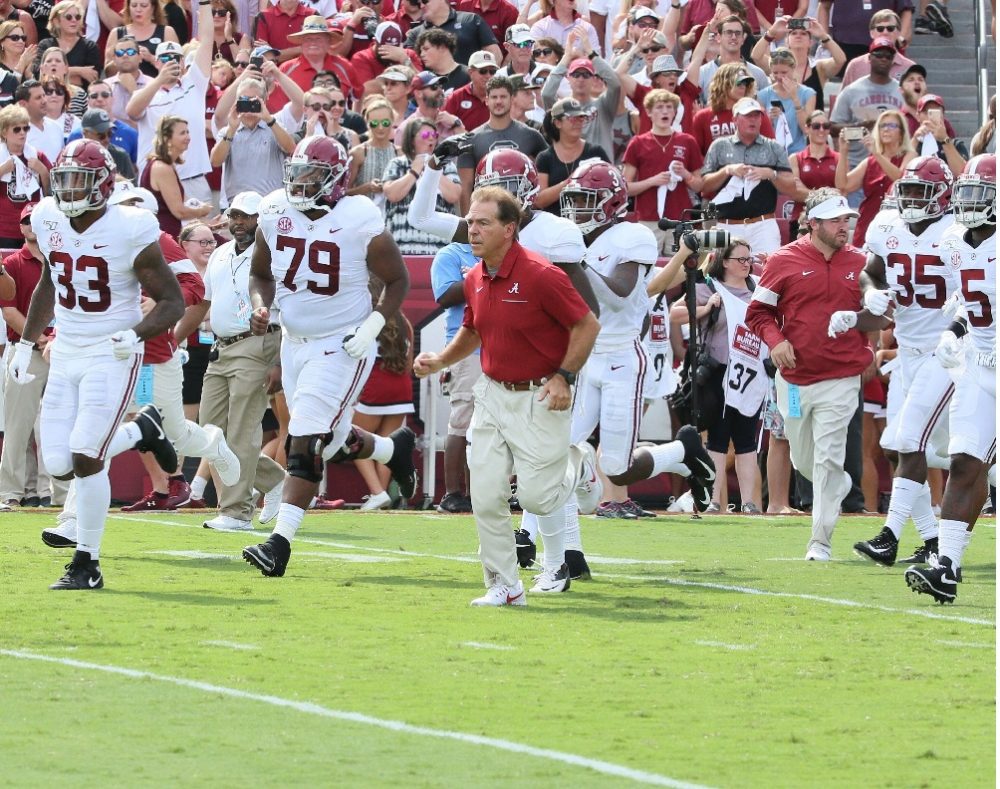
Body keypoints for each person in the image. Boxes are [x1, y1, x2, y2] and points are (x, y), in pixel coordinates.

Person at [408, 145, 600, 572]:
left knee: (541, 478)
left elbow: (588, 315)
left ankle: (563, 547)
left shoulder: (552, 235)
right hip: (496, 361)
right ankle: (551, 561)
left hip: (548, 364)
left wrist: (564, 371)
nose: (476, 227)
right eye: (488, 190)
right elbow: (420, 219)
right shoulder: (482, 233)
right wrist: (432, 168)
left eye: (507, 189)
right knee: (498, 476)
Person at [8, 139, 184, 589]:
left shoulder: (130, 226)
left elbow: (172, 301)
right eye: (62, 180)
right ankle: (142, 430)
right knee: (60, 463)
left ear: (102, 184)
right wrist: (27, 342)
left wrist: (134, 333)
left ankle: (87, 562)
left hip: (112, 351)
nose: (67, 190)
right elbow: (51, 279)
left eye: (78, 182)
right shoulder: (47, 216)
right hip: (66, 348)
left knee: (87, 454)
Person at [242, 136, 417, 577]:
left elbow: (397, 281)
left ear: (337, 180)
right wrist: (261, 305)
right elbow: (261, 273)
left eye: (313, 175)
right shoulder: (275, 210)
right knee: (332, 440)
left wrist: (374, 325)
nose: (301, 183)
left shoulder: (358, 218)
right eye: (297, 172)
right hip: (294, 340)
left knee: (304, 441)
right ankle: (390, 449)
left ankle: (278, 544)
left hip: (341, 343)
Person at [559, 159, 717, 530]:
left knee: (617, 465)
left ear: (610, 202)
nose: (576, 208)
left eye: (585, 199)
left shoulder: (632, 236)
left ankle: (681, 451)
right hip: (588, 352)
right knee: (561, 443)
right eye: (575, 199)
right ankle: (583, 491)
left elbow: (620, 293)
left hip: (620, 357)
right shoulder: (577, 240)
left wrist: (574, 262)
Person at [745, 187, 873, 561]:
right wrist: (775, 341)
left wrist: (872, 346)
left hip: (843, 375)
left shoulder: (861, 262)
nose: (843, 226)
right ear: (812, 223)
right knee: (805, 461)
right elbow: (758, 313)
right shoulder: (783, 260)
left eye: (845, 219)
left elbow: (876, 311)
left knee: (828, 458)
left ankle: (820, 541)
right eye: (834, 220)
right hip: (795, 377)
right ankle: (838, 485)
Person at [843, 156, 955, 568]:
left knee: (912, 442)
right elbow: (871, 272)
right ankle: (930, 539)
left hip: (946, 353)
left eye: (918, 192)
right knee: (896, 447)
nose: (909, 198)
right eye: (905, 190)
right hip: (907, 350)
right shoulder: (886, 226)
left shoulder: (956, 233)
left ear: (941, 196)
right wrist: (871, 293)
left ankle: (889, 536)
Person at [904, 154, 996, 603]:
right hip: (977, 362)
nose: (971, 201)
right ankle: (947, 567)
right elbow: (968, 297)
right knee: (963, 463)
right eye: (967, 191)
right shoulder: (956, 241)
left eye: (982, 192)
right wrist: (953, 330)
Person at [172, 191, 287, 531]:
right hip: (220, 348)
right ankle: (275, 479)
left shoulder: (272, 255)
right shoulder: (221, 254)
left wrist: (278, 359)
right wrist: (175, 335)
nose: (240, 222)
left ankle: (238, 512)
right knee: (210, 432)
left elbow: (286, 309)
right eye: (235, 215)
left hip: (257, 344)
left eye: (247, 216)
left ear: (260, 220)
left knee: (241, 428)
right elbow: (202, 303)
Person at [669, 236, 766, 512]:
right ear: (724, 262)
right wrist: (706, 308)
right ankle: (712, 500)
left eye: (750, 259)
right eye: (741, 259)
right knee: (718, 438)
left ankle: (749, 503)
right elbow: (675, 313)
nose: (747, 264)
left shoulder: (758, 289)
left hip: (750, 372)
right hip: (718, 371)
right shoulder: (708, 287)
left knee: (747, 440)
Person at [0, 203, 67, 510]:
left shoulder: (65, 259)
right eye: (27, 220)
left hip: (62, 350)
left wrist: (55, 339)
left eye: (36, 220)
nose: (31, 225)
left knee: (59, 424)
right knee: (17, 426)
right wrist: (40, 339)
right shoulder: (13, 262)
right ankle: (9, 494)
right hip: (25, 349)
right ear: (21, 227)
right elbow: (9, 311)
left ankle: (57, 495)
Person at [126, 3, 214, 204]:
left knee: (201, 233)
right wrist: (159, 80)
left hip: (193, 180)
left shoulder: (195, 84)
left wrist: (205, 4)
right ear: (156, 62)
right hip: (156, 182)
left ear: (183, 63)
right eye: (165, 58)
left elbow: (207, 39)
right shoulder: (147, 92)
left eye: (175, 58)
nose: (171, 62)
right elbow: (132, 111)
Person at [701, 96, 795, 254]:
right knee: (723, 275)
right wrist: (727, 170)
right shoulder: (719, 146)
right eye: (748, 116)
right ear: (735, 119)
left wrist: (771, 174)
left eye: (757, 115)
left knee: (768, 273)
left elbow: (791, 186)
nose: (753, 120)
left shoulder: (774, 147)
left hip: (763, 225)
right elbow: (704, 186)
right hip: (727, 225)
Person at [353, 275, 415, 510]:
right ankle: (379, 499)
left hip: (375, 388)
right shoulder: (404, 322)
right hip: (402, 390)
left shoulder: (367, 321)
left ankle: (378, 492)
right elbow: (409, 364)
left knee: (353, 440)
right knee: (388, 447)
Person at [622, 88, 703, 254]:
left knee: (679, 271)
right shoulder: (638, 143)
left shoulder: (687, 141)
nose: (665, 111)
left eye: (669, 107)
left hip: (679, 218)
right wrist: (653, 181)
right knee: (647, 266)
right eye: (659, 107)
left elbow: (700, 186)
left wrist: (685, 174)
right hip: (648, 219)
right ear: (649, 113)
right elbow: (625, 188)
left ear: (674, 112)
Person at [429, 239, 478, 514]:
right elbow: (445, 295)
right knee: (462, 421)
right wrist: (485, 273)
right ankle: (453, 493)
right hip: (465, 347)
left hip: (501, 345)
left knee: (492, 425)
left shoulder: (506, 251)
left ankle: (481, 492)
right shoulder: (452, 254)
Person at [456, 74, 547, 210]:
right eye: (494, 97)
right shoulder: (470, 140)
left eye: (503, 97)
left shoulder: (532, 136)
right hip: (486, 212)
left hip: (524, 212)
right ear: (487, 100)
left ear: (511, 99)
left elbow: (545, 175)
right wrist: (468, 226)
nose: (498, 101)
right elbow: (466, 187)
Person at [209, 76, 296, 204]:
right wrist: (231, 129)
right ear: (236, 102)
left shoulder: (274, 126)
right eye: (244, 100)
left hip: (271, 205)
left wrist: (269, 120)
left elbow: (291, 148)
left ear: (263, 102)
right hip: (238, 207)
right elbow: (215, 161)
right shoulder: (228, 131)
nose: (249, 105)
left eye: (253, 101)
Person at [835, 108, 915, 246]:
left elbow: (901, 179)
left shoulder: (909, 156)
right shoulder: (870, 161)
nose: (886, 129)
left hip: (897, 228)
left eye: (891, 125)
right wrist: (843, 152)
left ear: (901, 133)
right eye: (882, 125)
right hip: (868, 224)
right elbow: (843, 185)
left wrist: (877, 154)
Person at [540, 29, 621, 162]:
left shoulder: (603, 104)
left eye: (586, 74)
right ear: (568, 78)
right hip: (571, 174)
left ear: (593, 78)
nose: (581, 79)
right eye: (576, 75)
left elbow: (615, 84)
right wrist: (566, 58)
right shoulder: (562, 108)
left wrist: (590, 52)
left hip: (602, 171)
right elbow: (547, 94)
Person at [382, 118, 460, 254]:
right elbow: (392, 194)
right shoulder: (397, 163)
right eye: (425, 135)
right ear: (412, 139)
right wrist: (414, 171)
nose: (431, 139)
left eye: (434, 135)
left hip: (439, 247)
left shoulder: (447, 166)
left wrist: (433, 168)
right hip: (402, 247)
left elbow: (454, 195)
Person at [828, 37, 904, 175]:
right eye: (879, 55)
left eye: (888, 56)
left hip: (891, 165)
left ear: (893, 60)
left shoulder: (902, 92)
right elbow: (833, 128)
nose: (884, 59)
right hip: (857, 164)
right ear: (869, 58)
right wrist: (861, 127)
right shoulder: (852, 90)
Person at [533, 96, 610, 215]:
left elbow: (612, 186)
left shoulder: (596, 152)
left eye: (581, 118)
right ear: (558, 123)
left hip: (592, 223)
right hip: (557, 225)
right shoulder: (545, 158)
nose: (578, 122)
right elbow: (539, 200)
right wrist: (573, 180)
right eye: (572, 118)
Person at [751, 15, 843, 112]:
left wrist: (823, 35)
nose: (798, 36)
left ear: (810, 42)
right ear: (787, 41)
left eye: (803, 33)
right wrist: (771, 32)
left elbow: (840, 60)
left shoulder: (819, 67)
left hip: (812, 124)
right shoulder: (778, 65)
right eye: (794, 33)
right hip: (784, 123)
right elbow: (756, 56)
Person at [140, 115, 213, 239]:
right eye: (182, 133)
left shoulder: (167, 165)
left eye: (188, 132)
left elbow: (185, 203)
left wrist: (207, 224)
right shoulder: (162, 167)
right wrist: (202, 211)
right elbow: (179, 211)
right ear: (167, 139)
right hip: (166, 237)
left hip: (172, 233)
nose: (188, 137)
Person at [691, 62, 774, 157]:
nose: (743, 86)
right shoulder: (703, 117)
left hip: (751, 169)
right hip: (715, 169)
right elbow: (695, 155)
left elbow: (770, 149)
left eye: (745, 83)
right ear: (724, 84)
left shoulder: (758, 114)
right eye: (739, 82)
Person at [0, 102, 50, 247]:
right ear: (4, 132)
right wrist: (2, 170)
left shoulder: (37, 156)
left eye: (25, 128)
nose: (22, 133)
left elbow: (51, 196)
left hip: (32, 230)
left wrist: (43, 172)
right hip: (3, 231)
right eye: (17, 129)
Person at [817, 0, 913, 69]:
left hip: (884, 45)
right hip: (844, 44)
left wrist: (901, 37)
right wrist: (825, 39)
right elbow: (824, 6)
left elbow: (906, 10)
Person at [404, 0, 501, 66]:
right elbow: (409, 67)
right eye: (418, 3)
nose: (421, 6)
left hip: (470, 90)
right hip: (434, 91)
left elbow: (495, 54)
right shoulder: (415, 34)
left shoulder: (470, 20)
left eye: (425, 1)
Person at [787, 109, 837, 237]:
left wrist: (807, 192)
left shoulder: (839, 158)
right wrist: (827, 197)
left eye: (825, 126)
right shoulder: (796, 158)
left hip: (831, 221)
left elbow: (842, 192)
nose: (821, 130)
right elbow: (795, 192)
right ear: (807, 128)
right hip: (802, 222)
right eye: (816, 126)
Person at [756, 48, 815, 154]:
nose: (779, 76)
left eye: (784, 72)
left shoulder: (808, 93)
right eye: (775, 73)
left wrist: (795, 99)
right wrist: (768, 119)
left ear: (793, 69)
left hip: (797, 152)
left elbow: (807, 130)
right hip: (770, 151)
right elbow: (757, 131)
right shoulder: (763, 95)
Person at [105, 0, 181, 80]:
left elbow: (177, 66)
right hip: (124, 87)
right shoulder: (116, 33)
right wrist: (123, 56)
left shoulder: (167, 31)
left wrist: (152, 58)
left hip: (159, 87)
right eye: (134, 5)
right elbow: (108, 71)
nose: (138, 9)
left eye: (143, 5)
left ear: (153, 8)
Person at [68, 80, 139, 165]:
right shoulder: (76, 135)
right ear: (88, 101)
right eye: (94, 96)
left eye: (105, 95)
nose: (100, 99)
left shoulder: (130, 133)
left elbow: (135, 168)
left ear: (113, 99)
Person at [840, 10, 913, 87]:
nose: (885, 32)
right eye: (880, 29)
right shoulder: (855, 65)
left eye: (890, 28)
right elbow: (844, 96)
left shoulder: (909, 68)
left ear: (898, 32)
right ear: (871, 33)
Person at [34, 0, 98, 88]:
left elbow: (92, 76)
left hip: (80, 97)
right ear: (56, 21)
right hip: (50, 94)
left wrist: (54, 72)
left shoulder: (90, 46)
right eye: (68, 17)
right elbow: (39, 73)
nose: (74, 20)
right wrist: (79, 71)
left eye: (78, 17)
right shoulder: (45, 45)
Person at [394, 70, 465, 146]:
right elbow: (400, 157)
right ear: (418, 93)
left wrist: (456, 125)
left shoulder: (452, 121)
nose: (440, 90)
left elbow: (468, 150)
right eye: (434, 87)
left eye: (440, 86)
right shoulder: (406, 129)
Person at [346, 97, 397, 201]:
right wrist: (366, 188)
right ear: (367, 123)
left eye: (385, 123)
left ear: (392, 122)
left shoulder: (400, 153)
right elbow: (343, 192)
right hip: (363, 213)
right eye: (374, 123)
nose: (380, 127)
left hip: (391, 214)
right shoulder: (358, 153)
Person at [909, 94, 967, 178]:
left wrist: (945, 139)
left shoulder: (956, 145)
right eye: (926, 112)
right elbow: (902, 172)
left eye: (935, 112)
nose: (930, 118)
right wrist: (915, 139)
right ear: (918, 116)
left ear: (942, 115)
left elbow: (962, 174)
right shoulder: (914, 143)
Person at [443, 49, 498, 132]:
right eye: (483, 71)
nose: (488, 75)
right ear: (470, 72)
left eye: (492, 71)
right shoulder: (456, 97)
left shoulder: (500, 97)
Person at [104, 34, 151, 127]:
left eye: (130, 52)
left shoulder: (153, 85)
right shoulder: (105, 86)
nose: (125, 55)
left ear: (140, 57)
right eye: (120, 53)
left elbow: (153, 119)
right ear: (114, 59)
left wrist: (134, 91)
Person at [20, 78, 63, 163]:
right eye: (38, 98)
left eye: (44, 95)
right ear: (23, 104)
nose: (44, 101)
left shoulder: (56, 127)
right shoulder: (17, 132)